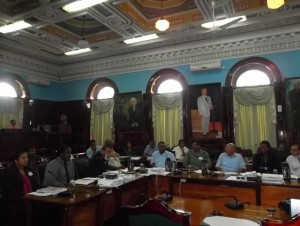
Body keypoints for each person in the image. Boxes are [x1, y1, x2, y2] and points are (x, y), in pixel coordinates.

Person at [1, 149, 38, 226]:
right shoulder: (9, 172)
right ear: (16, 160)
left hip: (33, 198)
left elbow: (35, 184)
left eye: (27, 157)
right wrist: (24, 194)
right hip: (18, 201)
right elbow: (6, 191)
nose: (26, 160)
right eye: (23, 158)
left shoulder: (28, 169)